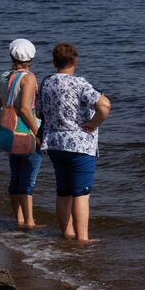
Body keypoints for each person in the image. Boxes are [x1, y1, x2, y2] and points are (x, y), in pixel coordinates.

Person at [36, 43, 111, 243]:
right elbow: (104, 105)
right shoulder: (79, 83)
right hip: (79, 145)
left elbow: (39, 112)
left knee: (63, 191)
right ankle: (82, 239)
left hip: (54, 143)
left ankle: (67, 232)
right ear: (75, 61)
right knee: (81, 194)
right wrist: (94, 124)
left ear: (54, 62)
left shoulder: (46, 83)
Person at [0, 39, 43, 229]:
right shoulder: (29, 78)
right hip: (25, 131)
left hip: (9, 129)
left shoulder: (4, 76)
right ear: (31, 58)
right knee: (28, 178)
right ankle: (30, 221)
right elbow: (26, 109)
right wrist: (39, 132)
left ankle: (18, 219)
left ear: (11, 56)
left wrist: (4, 108)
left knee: (15, 176)